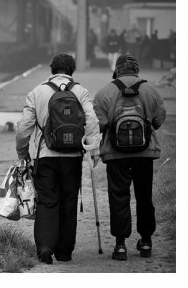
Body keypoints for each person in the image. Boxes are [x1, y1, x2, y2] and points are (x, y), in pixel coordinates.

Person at [15, 53, 101, 264]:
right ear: (72, 70)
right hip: (72, 157)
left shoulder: (37, 92)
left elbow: (24, 128)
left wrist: (22, 152)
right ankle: (64, 251)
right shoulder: (80, 91)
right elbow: (91, 121)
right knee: (69, 201)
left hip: (46, 156)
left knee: (46, 202)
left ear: (52, 69)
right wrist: (93, 149)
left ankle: (45, 247)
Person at [93, 55, 166, 261]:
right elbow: (159, 120)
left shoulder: (104, 92)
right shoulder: (150, 90)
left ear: (117, 71)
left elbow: (97, 124)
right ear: (136, 70)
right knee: (144, 195)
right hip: (144, 153)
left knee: (118, 196)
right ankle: (145, 241)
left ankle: (120, 245)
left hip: (115, 154)